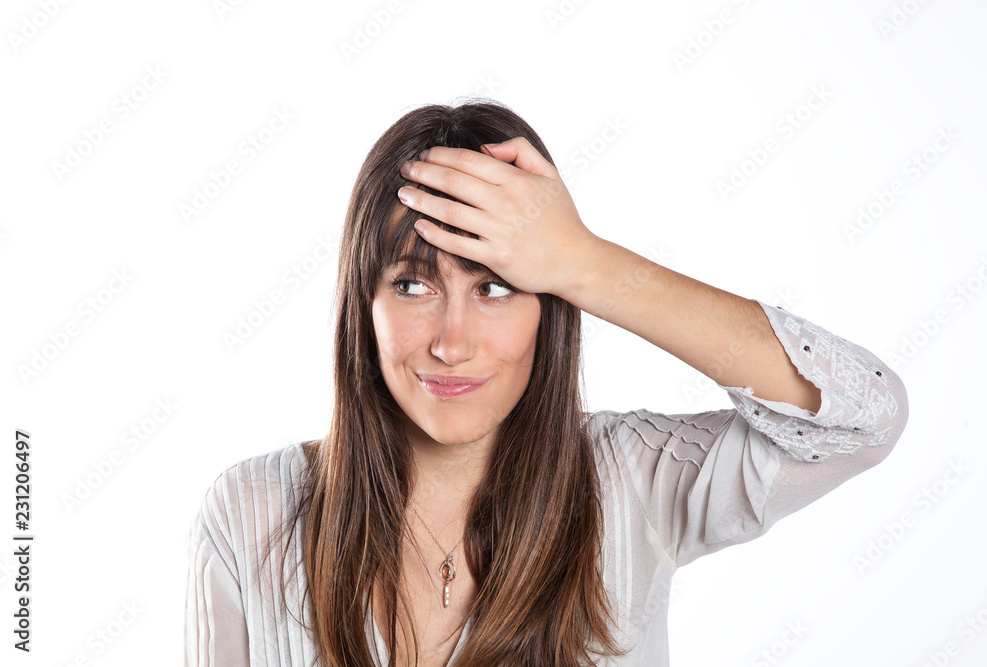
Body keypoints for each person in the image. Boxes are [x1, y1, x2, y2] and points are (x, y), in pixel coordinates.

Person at [184, 99, 909, 667]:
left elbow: (862, 415)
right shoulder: (249, 512)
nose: (451, 341)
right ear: (360, 308)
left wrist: (585, 263)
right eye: (411, 284)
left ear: (548, 308)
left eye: (496, 287)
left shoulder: (632, 481)